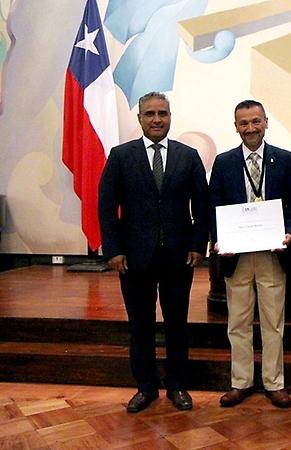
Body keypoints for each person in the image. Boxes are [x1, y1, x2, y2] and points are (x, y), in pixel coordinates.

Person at [98, 91, 209, 413]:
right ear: (140, 119)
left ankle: (177, 386)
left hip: (178, 257)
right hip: (134, 258)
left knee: (177, 324)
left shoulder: (188, 156)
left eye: (162, 113)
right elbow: (107, 207)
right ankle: (145, 388)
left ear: (170, 116)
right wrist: (114, 250)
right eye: (150, 114)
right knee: (140, 326)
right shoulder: (120, 156)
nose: (157, 119)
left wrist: (197, 245)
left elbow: (201, 206)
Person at [209, 100, 291, 409]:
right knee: (237, 321)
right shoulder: (223, 163)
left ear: (266, 121)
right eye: (243, 123)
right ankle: (241, 382)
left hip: (273, 253)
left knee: (273, 321)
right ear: (235, 126)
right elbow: (214, 207)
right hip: (237, 254)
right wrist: (220, 239)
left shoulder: (284, 159)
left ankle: (274, 383)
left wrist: (288, 231)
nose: (250, 128)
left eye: (255, 121)